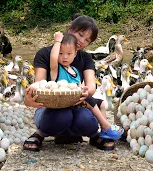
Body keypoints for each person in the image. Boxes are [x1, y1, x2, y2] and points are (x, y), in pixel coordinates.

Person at [23, 14, 116, 152]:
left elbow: (91, 86)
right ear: (69, 29)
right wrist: (29, 98)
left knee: (86, 120)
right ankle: (40, 133)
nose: (81, 41)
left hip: (76, 105)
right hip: (50, 109)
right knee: (62, 116)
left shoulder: (85, 58)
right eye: (80, 34)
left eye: (87, 40)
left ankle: (94, 134)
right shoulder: (44, 54)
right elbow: (40, 84)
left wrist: (83, 92)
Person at [49, 31, 124, 140]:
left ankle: (103, 132)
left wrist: (83, 90)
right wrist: (57, 41)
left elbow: (79, 86)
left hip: (76, 100)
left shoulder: (74, 70)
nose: (64, 57)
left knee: (101, 103)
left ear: (75, 53)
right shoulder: (56, 70)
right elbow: (53, 58)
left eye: (69, 54)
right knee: (89, 100)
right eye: (61, 53)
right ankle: (106, 126)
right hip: (63, 99)